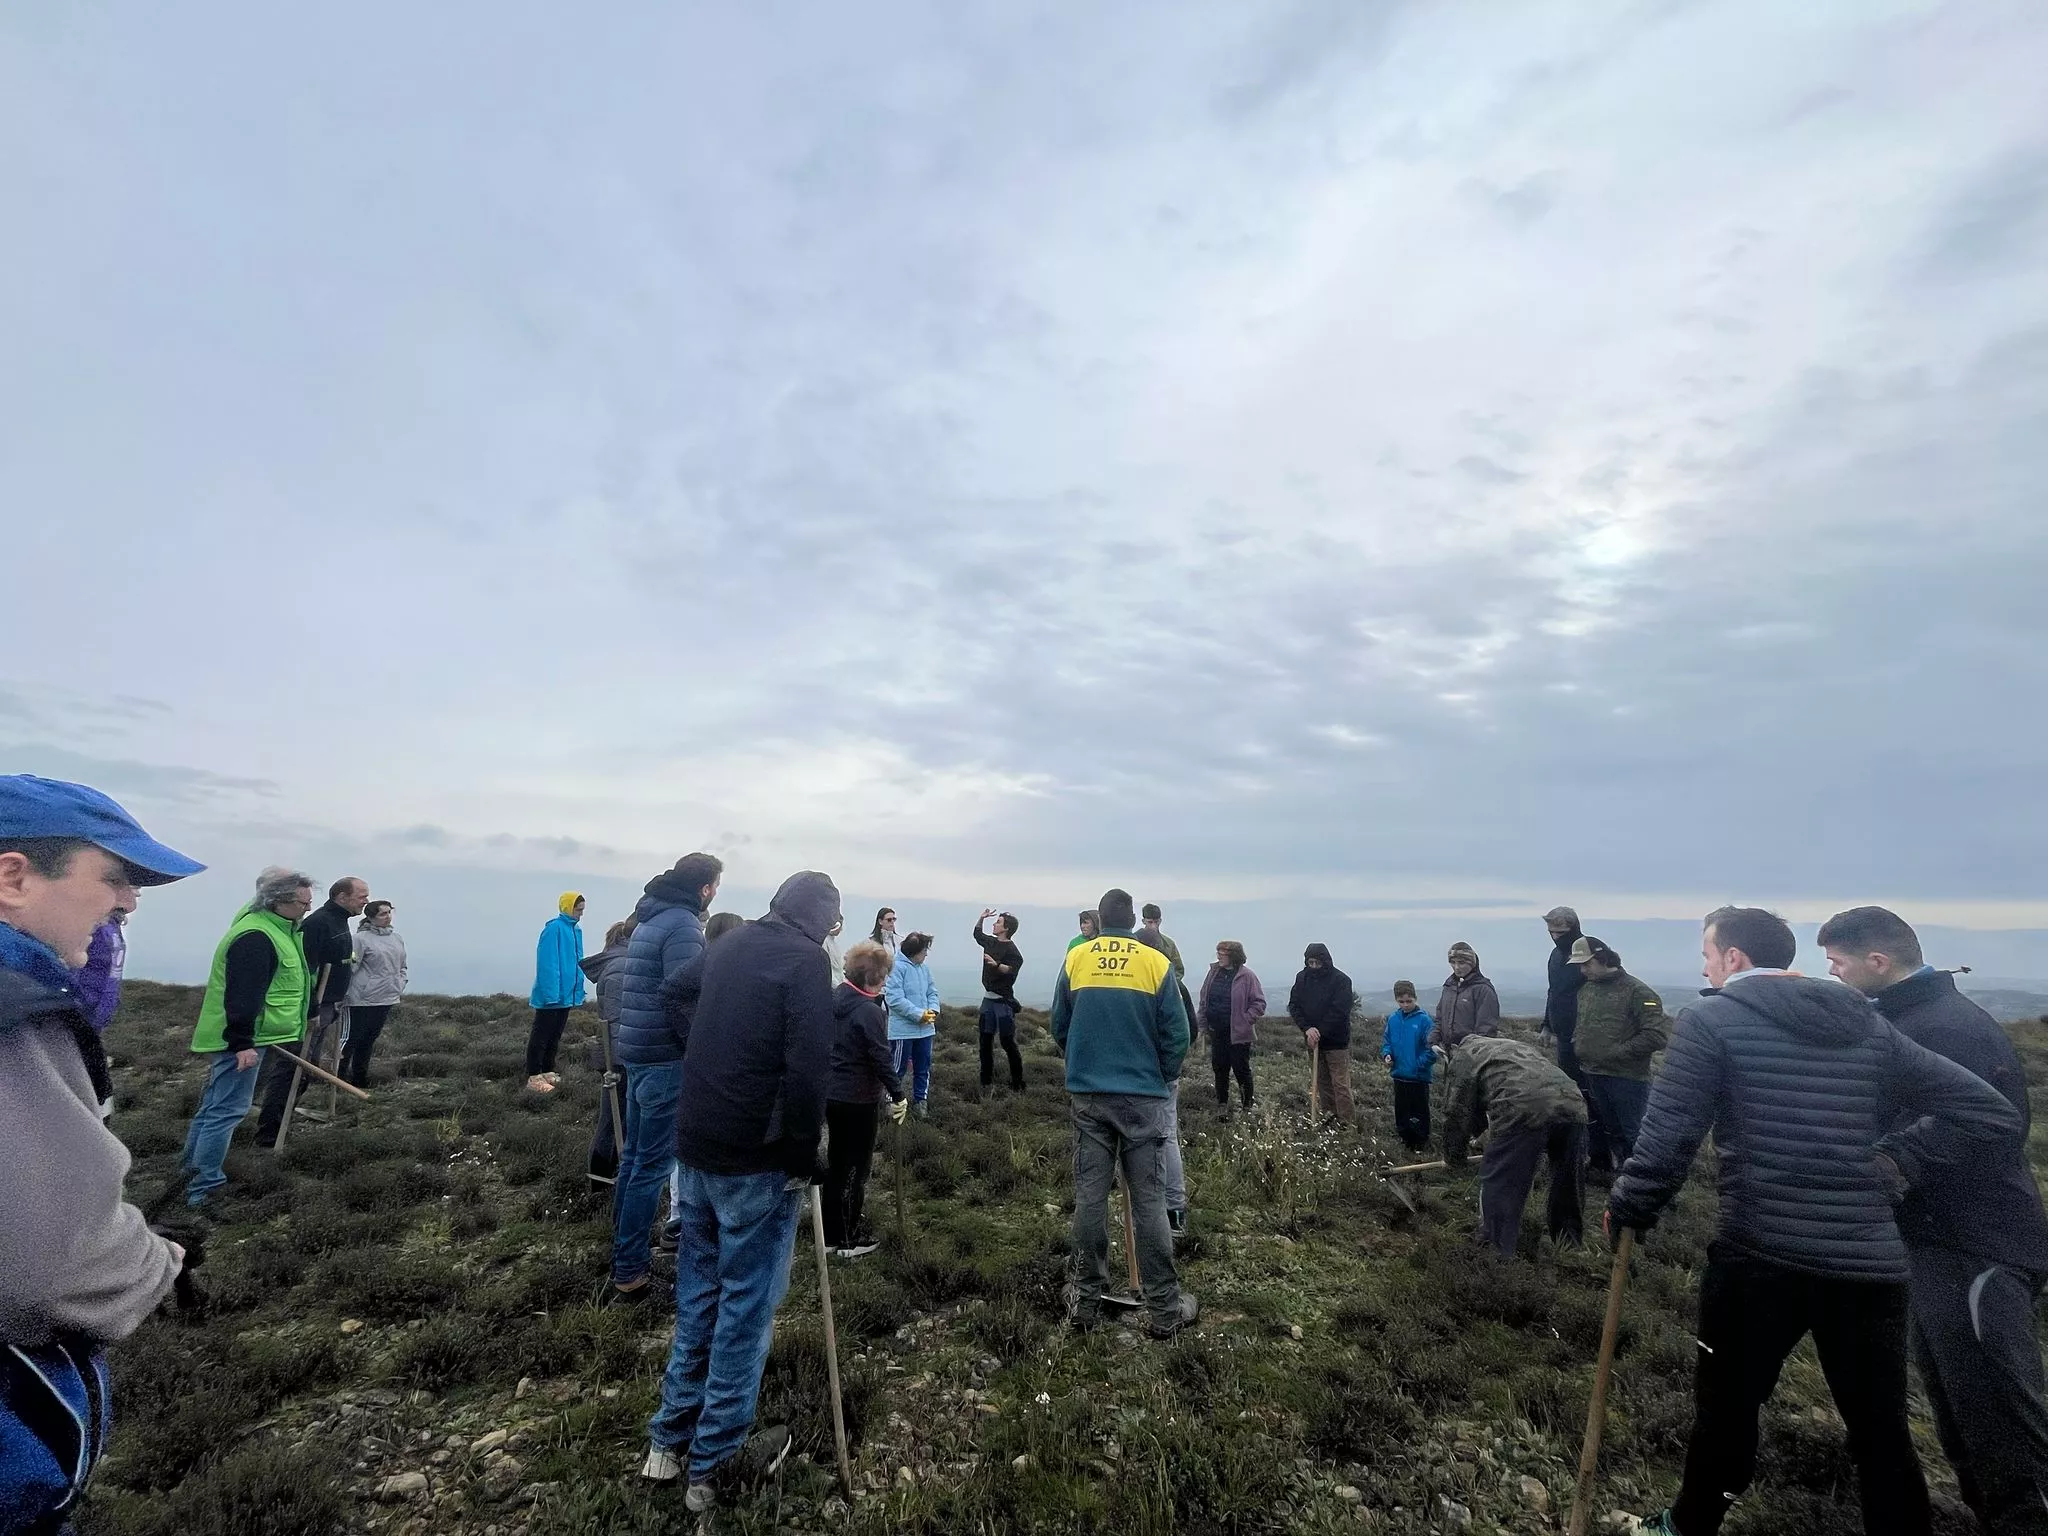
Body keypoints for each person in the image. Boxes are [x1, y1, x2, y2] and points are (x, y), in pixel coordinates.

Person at [1608, 907, 2024, 1536]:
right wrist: (1890, 1162)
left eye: (1707, 954)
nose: (1702, 967)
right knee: (1880, 1431)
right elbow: (1987, 1110)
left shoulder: (1711, 1020)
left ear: (1735, 961)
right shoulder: (1864, 1023)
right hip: (1869, 1266)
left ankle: (1686, 1527)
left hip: (1760, 1257)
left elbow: (1669, 1139)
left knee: (1727, 1411)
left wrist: (1632, 1206)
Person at [0, 775, 198, 1531]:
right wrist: (159, 1260)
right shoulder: (15, 1013)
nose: (128, 903)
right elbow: (49, 1267)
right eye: (112, 877)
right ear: (15, 876)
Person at [1818, 905, 2048, 1534]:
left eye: (1838, 964)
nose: (1834, 976)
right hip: (1929, 1239)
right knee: (1957, 1409)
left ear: (1878, 961)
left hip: (1980, 1245)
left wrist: (1896, 1159)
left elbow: (1997, 1123)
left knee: (1999, 1410)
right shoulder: (1902, 1018)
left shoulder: (1950, 1026)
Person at [639, 872, 841, 1513]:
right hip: (755, 1158)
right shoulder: (806, 960)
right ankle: (715, 1465)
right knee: (745, 1310)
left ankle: (666, 1446)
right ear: (822, 922)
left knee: (699, 1294)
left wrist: (706, 1054)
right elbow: (810, 1064)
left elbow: (674, 993)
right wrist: (804, 1148)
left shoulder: (729, 942)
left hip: (696, 1144)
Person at [1050, 888, 1197, 1338]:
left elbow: (1059, 1025)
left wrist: (1082, 1064)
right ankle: (1165, 1311)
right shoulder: (1155, 962)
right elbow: (1179, 1032)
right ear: (1133, 919)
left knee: (1090, 1198)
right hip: (1143, 1100)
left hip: (1090, 1097)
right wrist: (1160, 1076)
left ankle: (1085, 1303)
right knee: (1150, 1203)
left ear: (1099, 918)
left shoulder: (1077, 959)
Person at [611, 854, 723, 1304]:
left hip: (637, 1050)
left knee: (635, 1159)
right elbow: (685, 994)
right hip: (664, 1059)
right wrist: (702, 1050)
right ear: (705, 889)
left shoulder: (650, 917)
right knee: (651, 1167)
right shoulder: (681, 926)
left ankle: (623, 1256)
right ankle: (630, 1275)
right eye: (716, 883)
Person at [183, 867, 317, 1206]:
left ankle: (189, 1172)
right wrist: (241, 1043)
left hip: (249, 1036)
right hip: (241, 1040)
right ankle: (204, 1189)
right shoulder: (256, 936)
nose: (307, 909)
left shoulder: (276, 928)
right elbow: (243, 995)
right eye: (303, 902)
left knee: (215, 1107)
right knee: (226, 1111)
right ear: (279, 901)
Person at [1443, 1034, 1589, 1258]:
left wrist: (1454, 1157)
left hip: (1522, 1108)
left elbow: (1458, 1111)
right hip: (1572, 1103)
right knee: (1567, 1180)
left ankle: (1495, 1253)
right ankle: (1569, 1244)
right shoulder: (1508, 1046)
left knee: (1503, 1182)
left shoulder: (1463, 1056)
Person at [254, 874, 368, 1146]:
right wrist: (312, 1009)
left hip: (329, 1005)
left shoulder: (339, 921)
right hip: (313, 1008)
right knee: (292, 1069)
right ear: (341, 897)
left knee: (304, 1069)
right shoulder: (319, 923)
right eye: (361, 896)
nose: (366, 901)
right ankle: (270, 1133)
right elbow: (308, 971)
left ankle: (281, 1121)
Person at [824, 939, 908, 1258]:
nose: (885, 981)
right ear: (872, 978)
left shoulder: (834, 999)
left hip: (832, 1093)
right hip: (859, 1098)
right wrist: (898, 1095)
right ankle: (848, 1239)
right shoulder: (869, 1012)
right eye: (883, 976)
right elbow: (880, 1058)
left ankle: (832, 1233)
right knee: (856, 1168)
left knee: (836, 1163)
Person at [1568, 936, 1668, 1168]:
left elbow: (1656, 1036)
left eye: (1586, 964)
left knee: (1635, 1135)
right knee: (1610, 1131)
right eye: (1579, 965)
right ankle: (1618, 1177)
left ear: (1603, 958)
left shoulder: (1639, 992)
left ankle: (1647, 1187)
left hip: (1627, 1079)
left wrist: (1617, 1052)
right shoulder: (1586, 990)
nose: (1582, 970)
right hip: (1592, 1073)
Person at [1134, 928, 1198, 1238]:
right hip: (1162, 1074)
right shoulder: (1176, 984)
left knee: (1150, 1140)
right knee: (1166, 1137)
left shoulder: (1146, 981)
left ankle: (1162, 1213)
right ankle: (1173, 1212)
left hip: (1149, 1076)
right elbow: (1189, 1032)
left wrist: (1163, 1071)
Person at [1539, 905, 1609, 1173]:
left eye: (1560, 932)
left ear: (1573, 928)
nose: (1555, 937)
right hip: (1564, 1040)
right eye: (1551, 932)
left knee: (1594, 1097)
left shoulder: (1590, 952)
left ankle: (1600, 1156)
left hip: (1588, 1038)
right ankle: (1577, 1150)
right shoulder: (1555, 957)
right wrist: (1547, 1025)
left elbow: (1605, 989)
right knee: (1573, 1095)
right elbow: (1553, 992)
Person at [580, 917, 635, 1184]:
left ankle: (603, 1178)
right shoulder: (622, 968)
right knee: (614, 1120)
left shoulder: (615, 964)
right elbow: (616, 1021)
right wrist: (617, 1064)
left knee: (615, 1118)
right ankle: (601, 1180)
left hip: (615, 1053)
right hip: (621, 1056)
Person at [339, 899, 408, 1088]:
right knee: (351, 1039)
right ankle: (338, 1080)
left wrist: (400, 983)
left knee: (369, 1039)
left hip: (386, 997)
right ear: (370, 917)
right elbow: (351, 967)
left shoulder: (396, 938)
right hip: (361, 999)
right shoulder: (360, 939)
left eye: (389, 912)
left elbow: (402, 965)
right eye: (382, 914)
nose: (387, 917)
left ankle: (360, 1079)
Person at [525, 892, 586, 1093]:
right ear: (568, 907)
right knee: (541, 1035)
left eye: (582, 910)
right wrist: (551, 995)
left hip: (565, 994)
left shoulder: (575, 930)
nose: (581, 914)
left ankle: (548, 1070)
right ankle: (534, 1076)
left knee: (555, 1034)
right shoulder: (554, 929)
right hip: (552, 995)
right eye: (578, 910)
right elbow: (547, 963)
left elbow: (575, 963)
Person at [1196, 940, 1265, 1116]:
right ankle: (1222, 1104)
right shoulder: (1213, 974)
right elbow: (1204, 999)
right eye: (1218, 952)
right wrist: (1203, 1023)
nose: (1218, 955)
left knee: (1241, 1069)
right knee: (1219, 1068)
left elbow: (1259, 1003)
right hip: (1217, 1031)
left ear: (1233, 956)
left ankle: (1247, 1106)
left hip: (1239, 1034)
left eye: (1222, 953)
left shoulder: (1247, 976)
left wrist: (1245, 1020)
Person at [1288, 943, 1355, 1123]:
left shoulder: (1341, 980)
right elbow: (1294, 1005)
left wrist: (1320, 1031)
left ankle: (1346, 1123)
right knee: (1322, 1081)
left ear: (1326, 961)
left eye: (1318, 962)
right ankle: (1329, 1116)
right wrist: (1307, 1029)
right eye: (1311, 963)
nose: (1315, 966)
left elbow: (1340, 1010)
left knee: (1340, 1083)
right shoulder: (1302, 978)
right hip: (1312, 1039)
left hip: (1336, 1041)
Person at [885, 932, 941, 1117]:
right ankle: (890, 1102)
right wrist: (919, 1015)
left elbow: (932, 992)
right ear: (915, 951)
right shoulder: (896, 968)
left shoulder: (924, 969)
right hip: (903, 1032)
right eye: (924, 950)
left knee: (923, 1067)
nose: (926, 954)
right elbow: (894, 999)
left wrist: (932, 1010)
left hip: (925, 1031)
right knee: (897, 1068)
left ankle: (920, 1102)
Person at [973, 909, 1026, 1095]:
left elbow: (1011, 970)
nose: (994, 924)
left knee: (1007, 1042)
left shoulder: (1013, 951)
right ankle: (985, 1081)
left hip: (1003, 1003)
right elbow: (977, 934)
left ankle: (1018, 1083)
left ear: (1006, 928)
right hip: (988, 1000)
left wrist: (995, 964)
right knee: (985, 1042)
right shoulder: (991, 941)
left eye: (998, 922)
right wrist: (981, 918)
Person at [1381, 980, 1436, 1152]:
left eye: (1409, 1001)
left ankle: (1420, 1141)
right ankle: (1404, 1139)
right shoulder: (1393, 1019)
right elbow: (1387, 1041)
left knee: (1418, 1110)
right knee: (1402, 1109)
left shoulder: (1425, 1021)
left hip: (1418, 1077)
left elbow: (1432, 1049)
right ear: (1396, 1000)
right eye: (1401, 1001)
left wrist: (1419, 1065)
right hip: (1398, 1074)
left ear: (1415, 998)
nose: (1405, 1005)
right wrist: (1387, 1054)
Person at [1431, 942, 1499, 1049]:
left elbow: (1486, 1029)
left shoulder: (1483, 989)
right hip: (1449, 1053)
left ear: (1472, 963)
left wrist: (1471, 1051)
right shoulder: (1449, 987)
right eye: (1453, 962)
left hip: (1471, 1055)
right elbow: (1440, 1019)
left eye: (1461, 963)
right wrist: (1433, 1041)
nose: (1456, 967)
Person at [71, 912, 126, 1032]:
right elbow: (72, 969)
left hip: (98, 1020)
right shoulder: (91, 924)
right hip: (77, 1018)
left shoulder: (112, 925)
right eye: (130, 891)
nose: (137, 894)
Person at [1139, 904, 1184, 978]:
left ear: (1160, 921)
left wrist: (1169, 984)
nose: (1153, 926)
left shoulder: (1169, 944)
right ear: (1144, 921)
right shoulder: (1134, 941)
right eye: (1150, 922)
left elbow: (1178, 970)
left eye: (1156, 922)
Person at [823, 915, 845, 988]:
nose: (841, 929)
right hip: (832, 984)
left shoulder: (834, 943)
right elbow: (828, 968)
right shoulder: (824, 942)